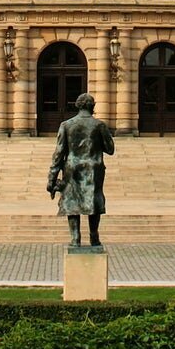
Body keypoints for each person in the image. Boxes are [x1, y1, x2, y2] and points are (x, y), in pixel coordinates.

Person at [47, 92, 115, 247]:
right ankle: (94, 236)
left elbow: (58, 153)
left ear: (77, 106)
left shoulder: (66, 125)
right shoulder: (99, 125)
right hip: (94, 168)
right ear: (93, 106)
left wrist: (52, 178)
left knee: (72, 201)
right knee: (94, 200)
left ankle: (75, 238)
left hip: (72, 169)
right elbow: (110, 149)